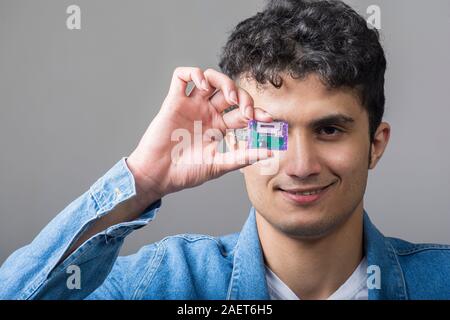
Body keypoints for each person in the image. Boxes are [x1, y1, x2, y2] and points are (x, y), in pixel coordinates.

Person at [1, 0, 449, 300]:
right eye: (271, 130)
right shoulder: (167, 282)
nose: (299, 164)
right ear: (235, 139)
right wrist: (141, 181)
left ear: (375, 145)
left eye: (329, 130)